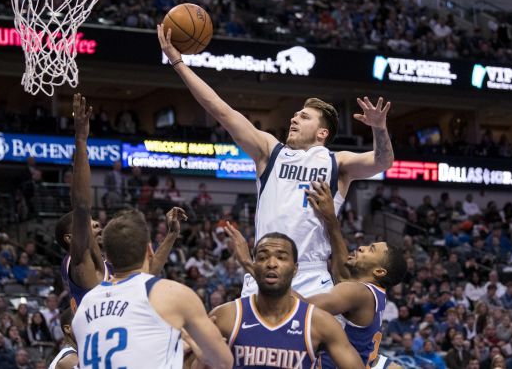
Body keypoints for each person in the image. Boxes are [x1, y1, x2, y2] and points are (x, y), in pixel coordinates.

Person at [158, 26, 394, 298]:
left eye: (304, 117)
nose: (294, 119)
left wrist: (379, 128)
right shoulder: (271, 151)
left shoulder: (336, 162)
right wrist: (178, 63)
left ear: (322, 133)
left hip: (310, 274)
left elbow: (382, 161)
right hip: (263, 270)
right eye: (295, 115)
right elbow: (222, 110)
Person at [230, 181, 405, 368]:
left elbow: (299, 307)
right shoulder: (372, 294)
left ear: (378, 271)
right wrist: (331, 219)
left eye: (370, 250)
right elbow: (343, 273)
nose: (361, 247)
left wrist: (250, 264)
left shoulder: (358, 292)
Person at [58, 94, 186, 311]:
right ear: (71, 237)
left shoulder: (111, 266)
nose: (97, 223)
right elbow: (81, 206)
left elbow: (148, 273)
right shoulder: (80, 262)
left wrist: (172, 235)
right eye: (90, 223)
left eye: (95, 221)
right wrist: (81, 140)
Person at [72, 208, 232, 369]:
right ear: (149, 250)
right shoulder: (172, 294)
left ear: (108, 259)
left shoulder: (84, 306)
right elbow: (224, 362)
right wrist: (192, 345)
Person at [205, 232, 364, 369]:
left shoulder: (320, 323)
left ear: (295, 269)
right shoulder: (225, 316)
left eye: (281, 257)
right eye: (262, 257)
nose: (272, 263)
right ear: (254, 266)